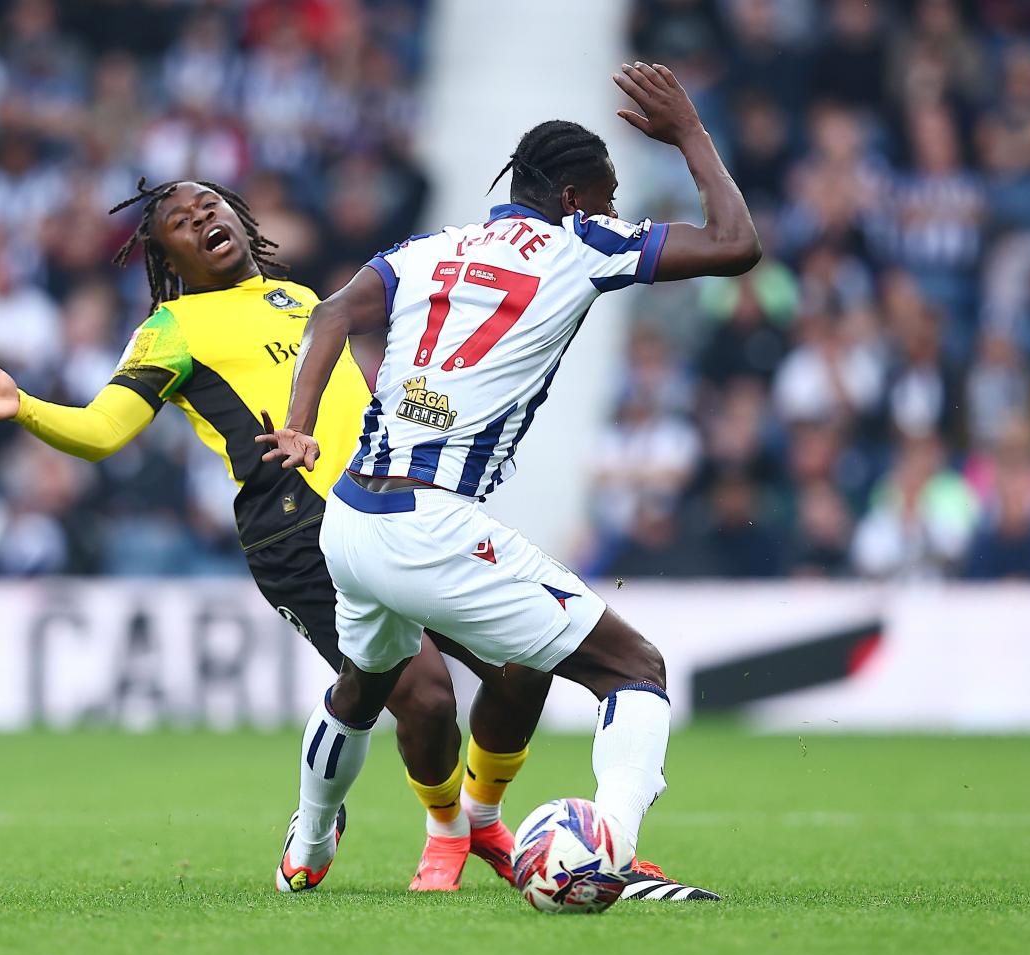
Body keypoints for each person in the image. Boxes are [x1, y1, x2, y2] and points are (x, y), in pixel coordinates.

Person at [0, 176, 553, 892]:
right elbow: (105, 431)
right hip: (296, 530)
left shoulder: (301, 300)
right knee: (422, 696)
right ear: (166, 253)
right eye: (179, 220)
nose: (201, 217)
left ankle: (461, 819)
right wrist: (25, 407)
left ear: (239, 217)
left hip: (390, 506)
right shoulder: (171, 329)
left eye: (210, 205)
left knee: (524, 655)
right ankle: (443, 834)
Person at [260, 62, 760, 900]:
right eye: (603, 198)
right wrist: (689, 136)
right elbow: (737, 245)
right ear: (573, 199)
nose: (611, 213)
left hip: (348, 516)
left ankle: (306, 846)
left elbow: (332, 312)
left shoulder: (428, 251)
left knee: (363, 685)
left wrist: (302, 423)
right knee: (634, 667)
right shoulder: (582, 243)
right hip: (427, 521)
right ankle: (613, 854)